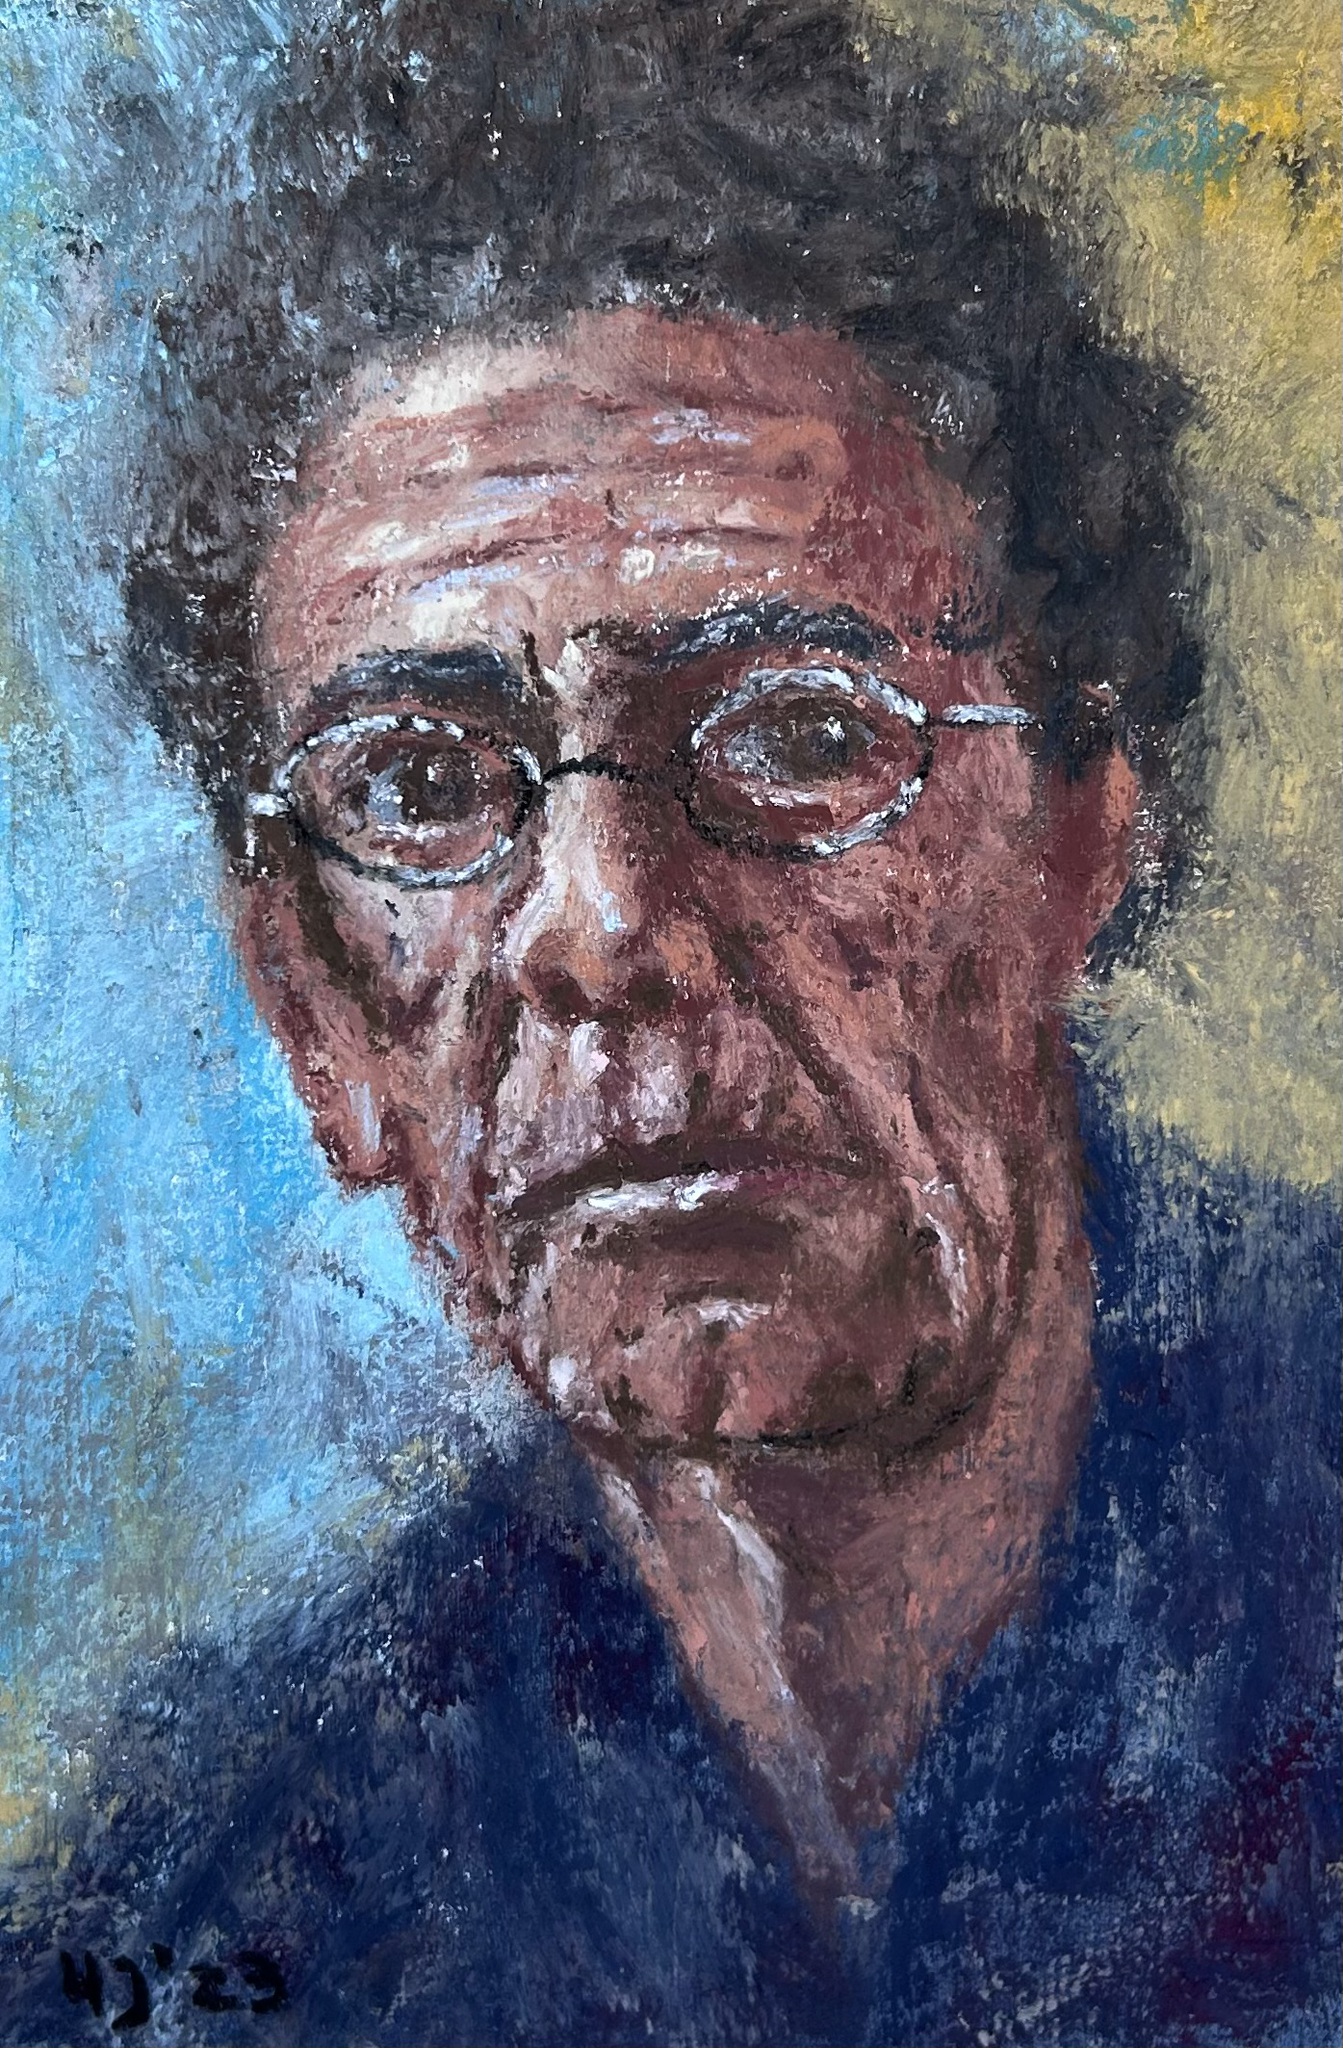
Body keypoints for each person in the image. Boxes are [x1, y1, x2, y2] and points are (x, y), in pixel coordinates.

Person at [2, 0, 1338, 2041]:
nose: (604, 929)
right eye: (420, 785)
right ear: (315, 1013)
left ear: (1082, 834)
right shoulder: (218, 1901)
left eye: (798, 736)